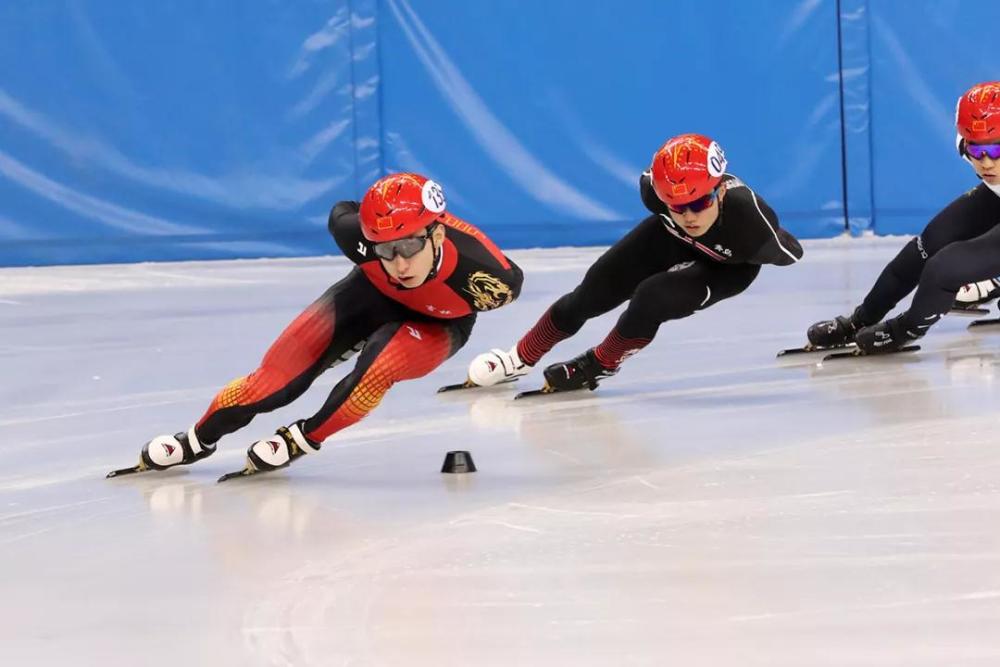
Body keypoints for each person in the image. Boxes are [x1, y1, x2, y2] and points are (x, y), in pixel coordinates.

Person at [117, 173, 522, 479]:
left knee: (379, 365)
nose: (399, 263)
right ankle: (196, 440)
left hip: (438, 323)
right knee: (272, 384)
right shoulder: (352, 233)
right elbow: (344, 211)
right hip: (369, 295)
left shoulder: (490, 279)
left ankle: (305, 437)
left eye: (410, 246)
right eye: (386, 249)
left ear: (437, 234)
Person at [464, 133, 803, 393]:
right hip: (669, 241)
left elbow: (791, 253)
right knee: (591, 293)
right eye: (676, 206)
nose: (689, 216)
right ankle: (519, 358)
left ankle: (600, 363)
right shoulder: (652, 191)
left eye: (700, 203)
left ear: (721, 191)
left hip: (727, 267)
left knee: (653, 297)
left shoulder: (753, 227)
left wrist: (768, 244)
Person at [807, 81, 1000, 354]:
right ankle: (860, 319)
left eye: (996, 150)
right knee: (926, 246)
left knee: (945, 268)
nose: (986, 162)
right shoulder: (970, 143)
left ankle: (905, 330)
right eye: (977, 151)